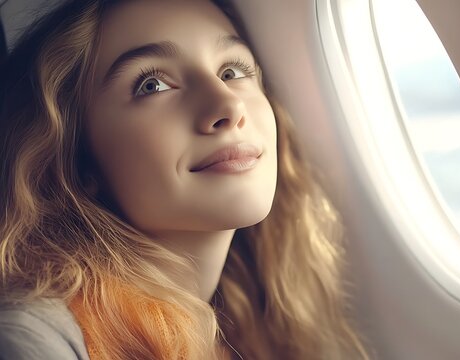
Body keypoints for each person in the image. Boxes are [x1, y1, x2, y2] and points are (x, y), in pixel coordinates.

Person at [0, 0, 370, 359]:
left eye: (232, 72)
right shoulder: (34, 338)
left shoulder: (247, 328)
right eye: (153, 85)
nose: (228, 106)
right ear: (77, 158)